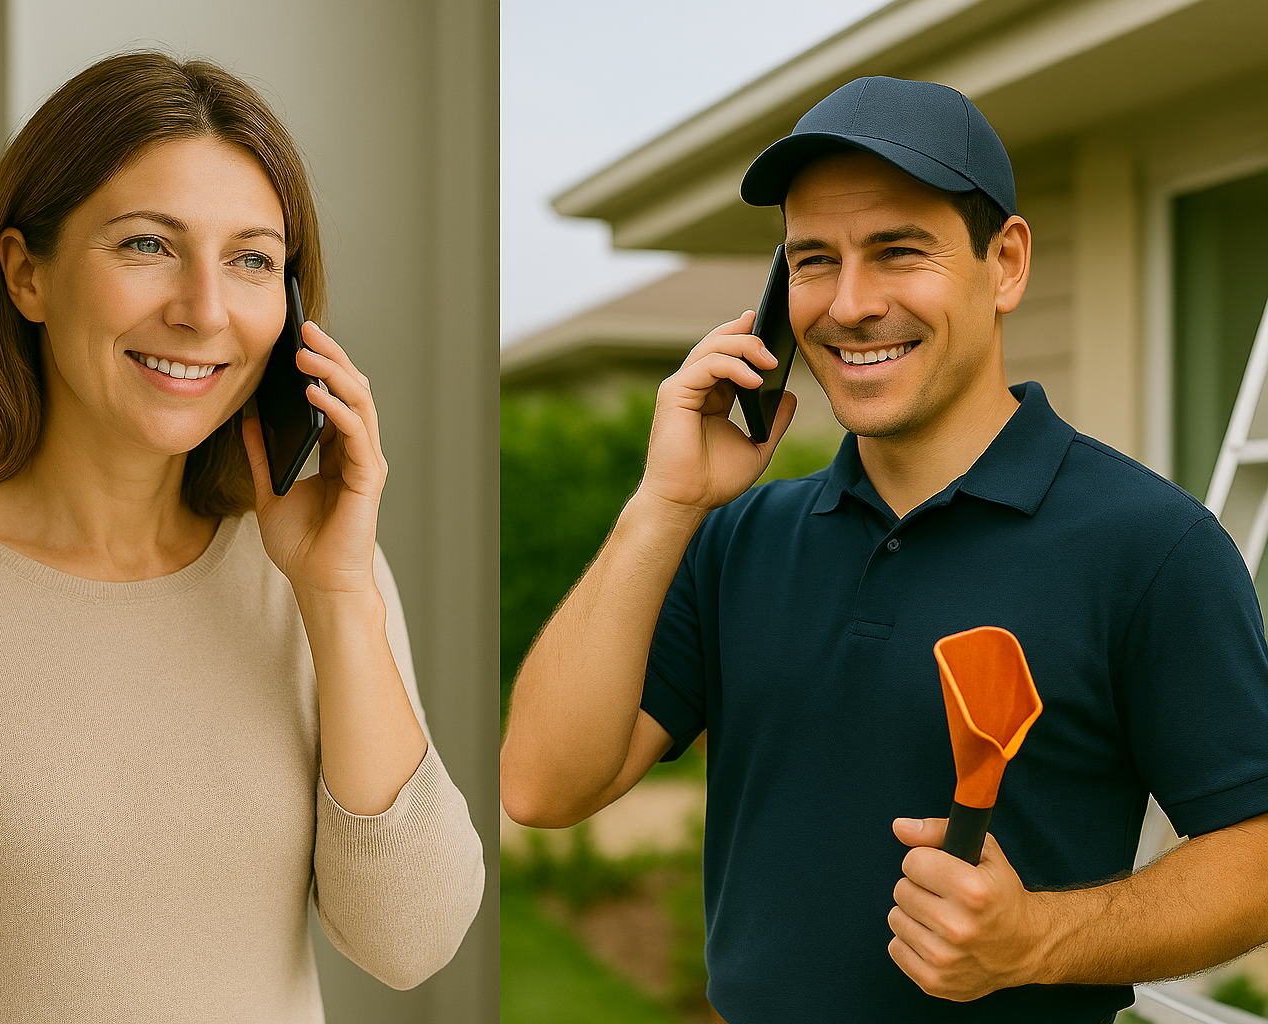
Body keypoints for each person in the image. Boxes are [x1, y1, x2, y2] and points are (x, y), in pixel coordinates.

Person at [501, 76, 1268, 1023]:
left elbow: (1257, 852)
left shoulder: (1150, 546)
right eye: (813, 260)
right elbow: (540, 785)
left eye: (899, 252)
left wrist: (1037, 941)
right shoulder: (740, 537)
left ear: (1008, 265)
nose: (850, 305)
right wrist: (664, 503)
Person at [0, 52, 483, 1023]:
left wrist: (339, 595)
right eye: (147, 244)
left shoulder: (319, 580)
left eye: (253, 259)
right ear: (26, 273)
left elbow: (410, 941)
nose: (204, 310)